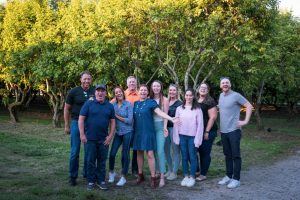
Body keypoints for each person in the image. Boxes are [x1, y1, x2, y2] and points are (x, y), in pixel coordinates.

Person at [133, 84, 177, 189]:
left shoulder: (151, 102)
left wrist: (171, 118)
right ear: (138, 92)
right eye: (141, 90)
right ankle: (140, 175)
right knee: (139, 152)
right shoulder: (135, 104)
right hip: (138, 132)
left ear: (148, 92)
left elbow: (160, 112)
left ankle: (154, 177)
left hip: (149, 131)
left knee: (151, 153)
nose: (143, 92)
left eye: (145, 90)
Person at [217, 77, 253, 189]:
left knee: (236, 155)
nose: (225, 84)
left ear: (230, 84)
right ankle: (228, 176)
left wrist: (245, 121)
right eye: (223, 83)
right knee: (227, 155)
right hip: (223, 131)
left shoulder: (236, 95)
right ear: (220, 85)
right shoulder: (221, 96)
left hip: (234, 130)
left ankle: (236, 179)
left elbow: (249, 106)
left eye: (227, 83)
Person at [79, 84, 116, 191]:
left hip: (103, 139)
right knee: (90, 160)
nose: (100, 93)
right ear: (95, 93)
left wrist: (110, 136)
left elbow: (113, 122)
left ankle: (101, 181)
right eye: (98, 91)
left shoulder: (109, 106)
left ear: (105, 93)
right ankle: (91, 181)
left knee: (102, 161)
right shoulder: (88, 104)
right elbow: (81, 119)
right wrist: (82, 134)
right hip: (90, 138)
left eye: (102, 91)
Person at [64, 71, 94, 186]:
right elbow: (66, 109)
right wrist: (67, 125)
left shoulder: (94, 91)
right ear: (80, 79)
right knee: (75, 151)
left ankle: (87, 174)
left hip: (90, 125)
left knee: (89, 151)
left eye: (89, 79)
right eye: (85, 79)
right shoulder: (73, 91)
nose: (87, 81)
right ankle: (73, 176)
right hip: (76, 123)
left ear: (91, 80)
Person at [173, 88, 204, 188]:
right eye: (187, 95)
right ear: (184, 96)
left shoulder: (197, 109)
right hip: (182, 136)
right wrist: (176, 137)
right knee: (184, 157)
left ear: (193, 96)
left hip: (193, 137)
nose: (188, 97)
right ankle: (186, 176)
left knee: (192, 156)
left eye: (190, 95)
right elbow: (176, 124)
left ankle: (192, 177)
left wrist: (197, 139)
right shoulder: (179, 109)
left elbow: (200, 125)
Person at [108, 87, 133, 186]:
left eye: (120, 92)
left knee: (125, 154)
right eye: (116, 92)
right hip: (118, 133)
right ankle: (111, 172)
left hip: (127, 132)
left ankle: (123, 176)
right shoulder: (112, 105)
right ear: (115, 95)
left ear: (123, 93)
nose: (118, 93)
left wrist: (116, 116)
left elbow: (129, 120)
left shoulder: (128, 104)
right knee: (112, 153)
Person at [196, 83, 218, 181]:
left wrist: (207, 131)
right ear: (198, 89)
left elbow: (213, 117)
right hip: (197, 131)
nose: (203, 89)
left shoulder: (210, 101)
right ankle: (197, 170)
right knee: (194, 151)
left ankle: (203, 174)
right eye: (201, 87)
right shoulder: (195, 100)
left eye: (205, 88)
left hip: (208, 131)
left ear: (208, 90)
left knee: (204, 152)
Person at [149, 80, 169, 187]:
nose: (156, 88)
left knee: (160, 151)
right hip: (151, 128)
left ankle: (162, 176)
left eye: (158, 86)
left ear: (161, 87)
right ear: (151, 88)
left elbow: (165, 115)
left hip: (161, 127)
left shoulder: (165, 100)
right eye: (154, 86)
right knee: (154, 151)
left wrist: (165, 127)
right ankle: (156, 171)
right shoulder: (149, 100)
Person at [164, 84, 182, 181]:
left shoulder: (179, 103)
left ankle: (174, 172)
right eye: (170, 90)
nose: (172, 92)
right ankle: (170, 170)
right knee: (166, 150)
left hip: (175, 129)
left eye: (174, 90)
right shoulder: (165, 102)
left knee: (175, 151)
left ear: (177, 92)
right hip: (165, 129)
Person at [125, 76, 140, 176]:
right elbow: (112, 104)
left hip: (137, 125)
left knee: (136, 148)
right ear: (127, 84)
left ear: (136, 84)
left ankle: (135, 169)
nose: (132, 84)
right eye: (130, 82)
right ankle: (124, 169)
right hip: (125, 125)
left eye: (133, 82)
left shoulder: (140, 94)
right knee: (125, 148)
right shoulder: (123, 94)